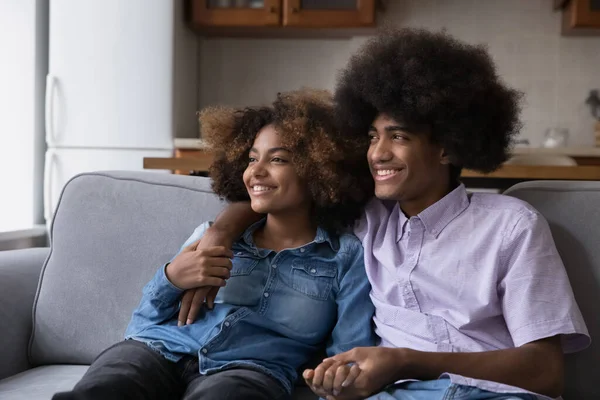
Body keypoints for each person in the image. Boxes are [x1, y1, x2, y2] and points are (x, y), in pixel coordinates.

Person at [177, 28, 590, 400]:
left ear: (446, 146)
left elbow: (546, 371)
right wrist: (220, 232)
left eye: (399, 136)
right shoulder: (366, 218)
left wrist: (404, 361)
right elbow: (275, 195)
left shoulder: (511, 225)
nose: (377, 153)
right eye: (373, 136)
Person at [52, 89, 376, 400]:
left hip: (250, 369)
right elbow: (141, 323)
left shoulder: (345, 256)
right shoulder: (210, 236)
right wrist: (171, 278)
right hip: (159, 349)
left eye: (277, 159)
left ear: (319, 170)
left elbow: (348, 352)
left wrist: (338, 382)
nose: (256, 172)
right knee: (108, 387)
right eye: (251, 159)